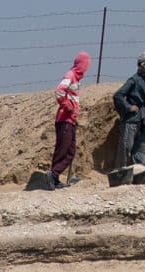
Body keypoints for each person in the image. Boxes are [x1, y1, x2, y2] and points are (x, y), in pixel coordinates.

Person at [48, 51, 91, 188]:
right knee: (64, 149)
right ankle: (53, 175)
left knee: (70, 151)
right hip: (64, 119)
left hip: (70, 120)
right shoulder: (70, 75)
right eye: (85, 65)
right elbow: (59, 91)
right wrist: (68, 107)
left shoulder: (76, 80)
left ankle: (54, 178)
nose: (86, 69)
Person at [112, 52, 145, 181]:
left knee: (140, 149)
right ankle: (119, 175)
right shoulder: (133, 80)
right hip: (132, 120)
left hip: (142, 120)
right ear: (143, 65)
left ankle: (139, 176)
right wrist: (128, 107)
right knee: (125, 147)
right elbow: (118, 95)